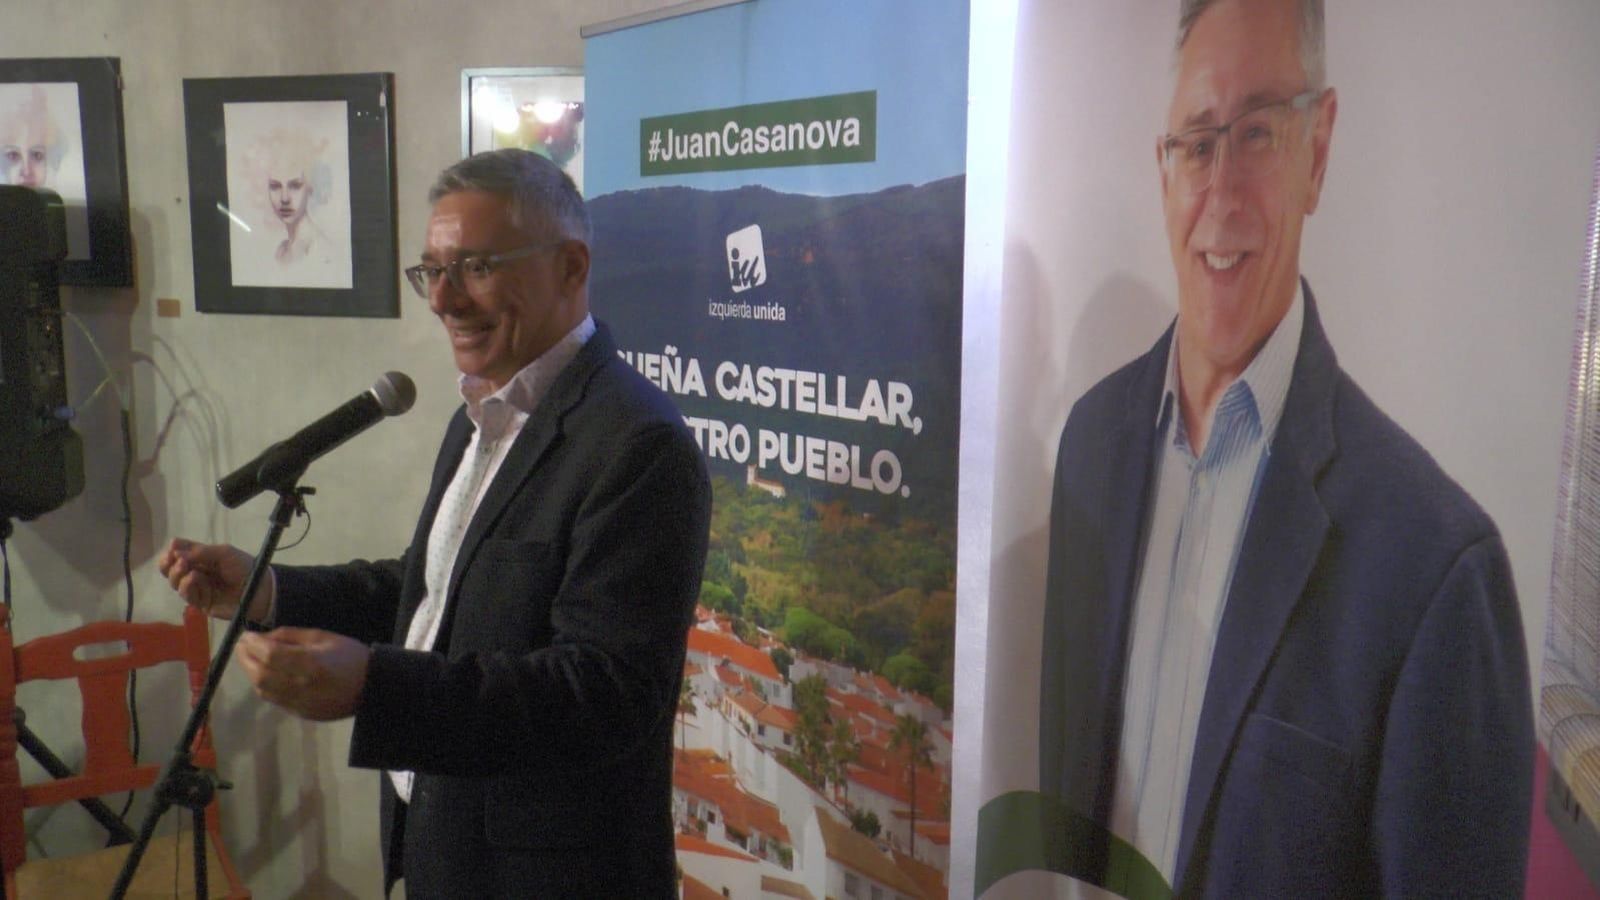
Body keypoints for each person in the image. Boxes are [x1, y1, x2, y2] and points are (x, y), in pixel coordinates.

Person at [1036, 0, 1532, 895]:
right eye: (1197, 141)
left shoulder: (1438, 574)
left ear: (1320, 149)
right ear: (1165, 170)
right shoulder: (1090, 453)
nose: (1221, 193)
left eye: (1258, 133)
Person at [160, 148, 712, 898]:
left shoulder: (638, 444)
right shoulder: (482, 411)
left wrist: (373, 688)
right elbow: (433, 590)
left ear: (572, 268)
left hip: (549, 876)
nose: (444, 300)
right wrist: (266, 593)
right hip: (445, 842)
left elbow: (604, 693)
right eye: (432, 270)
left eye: (477, 266)